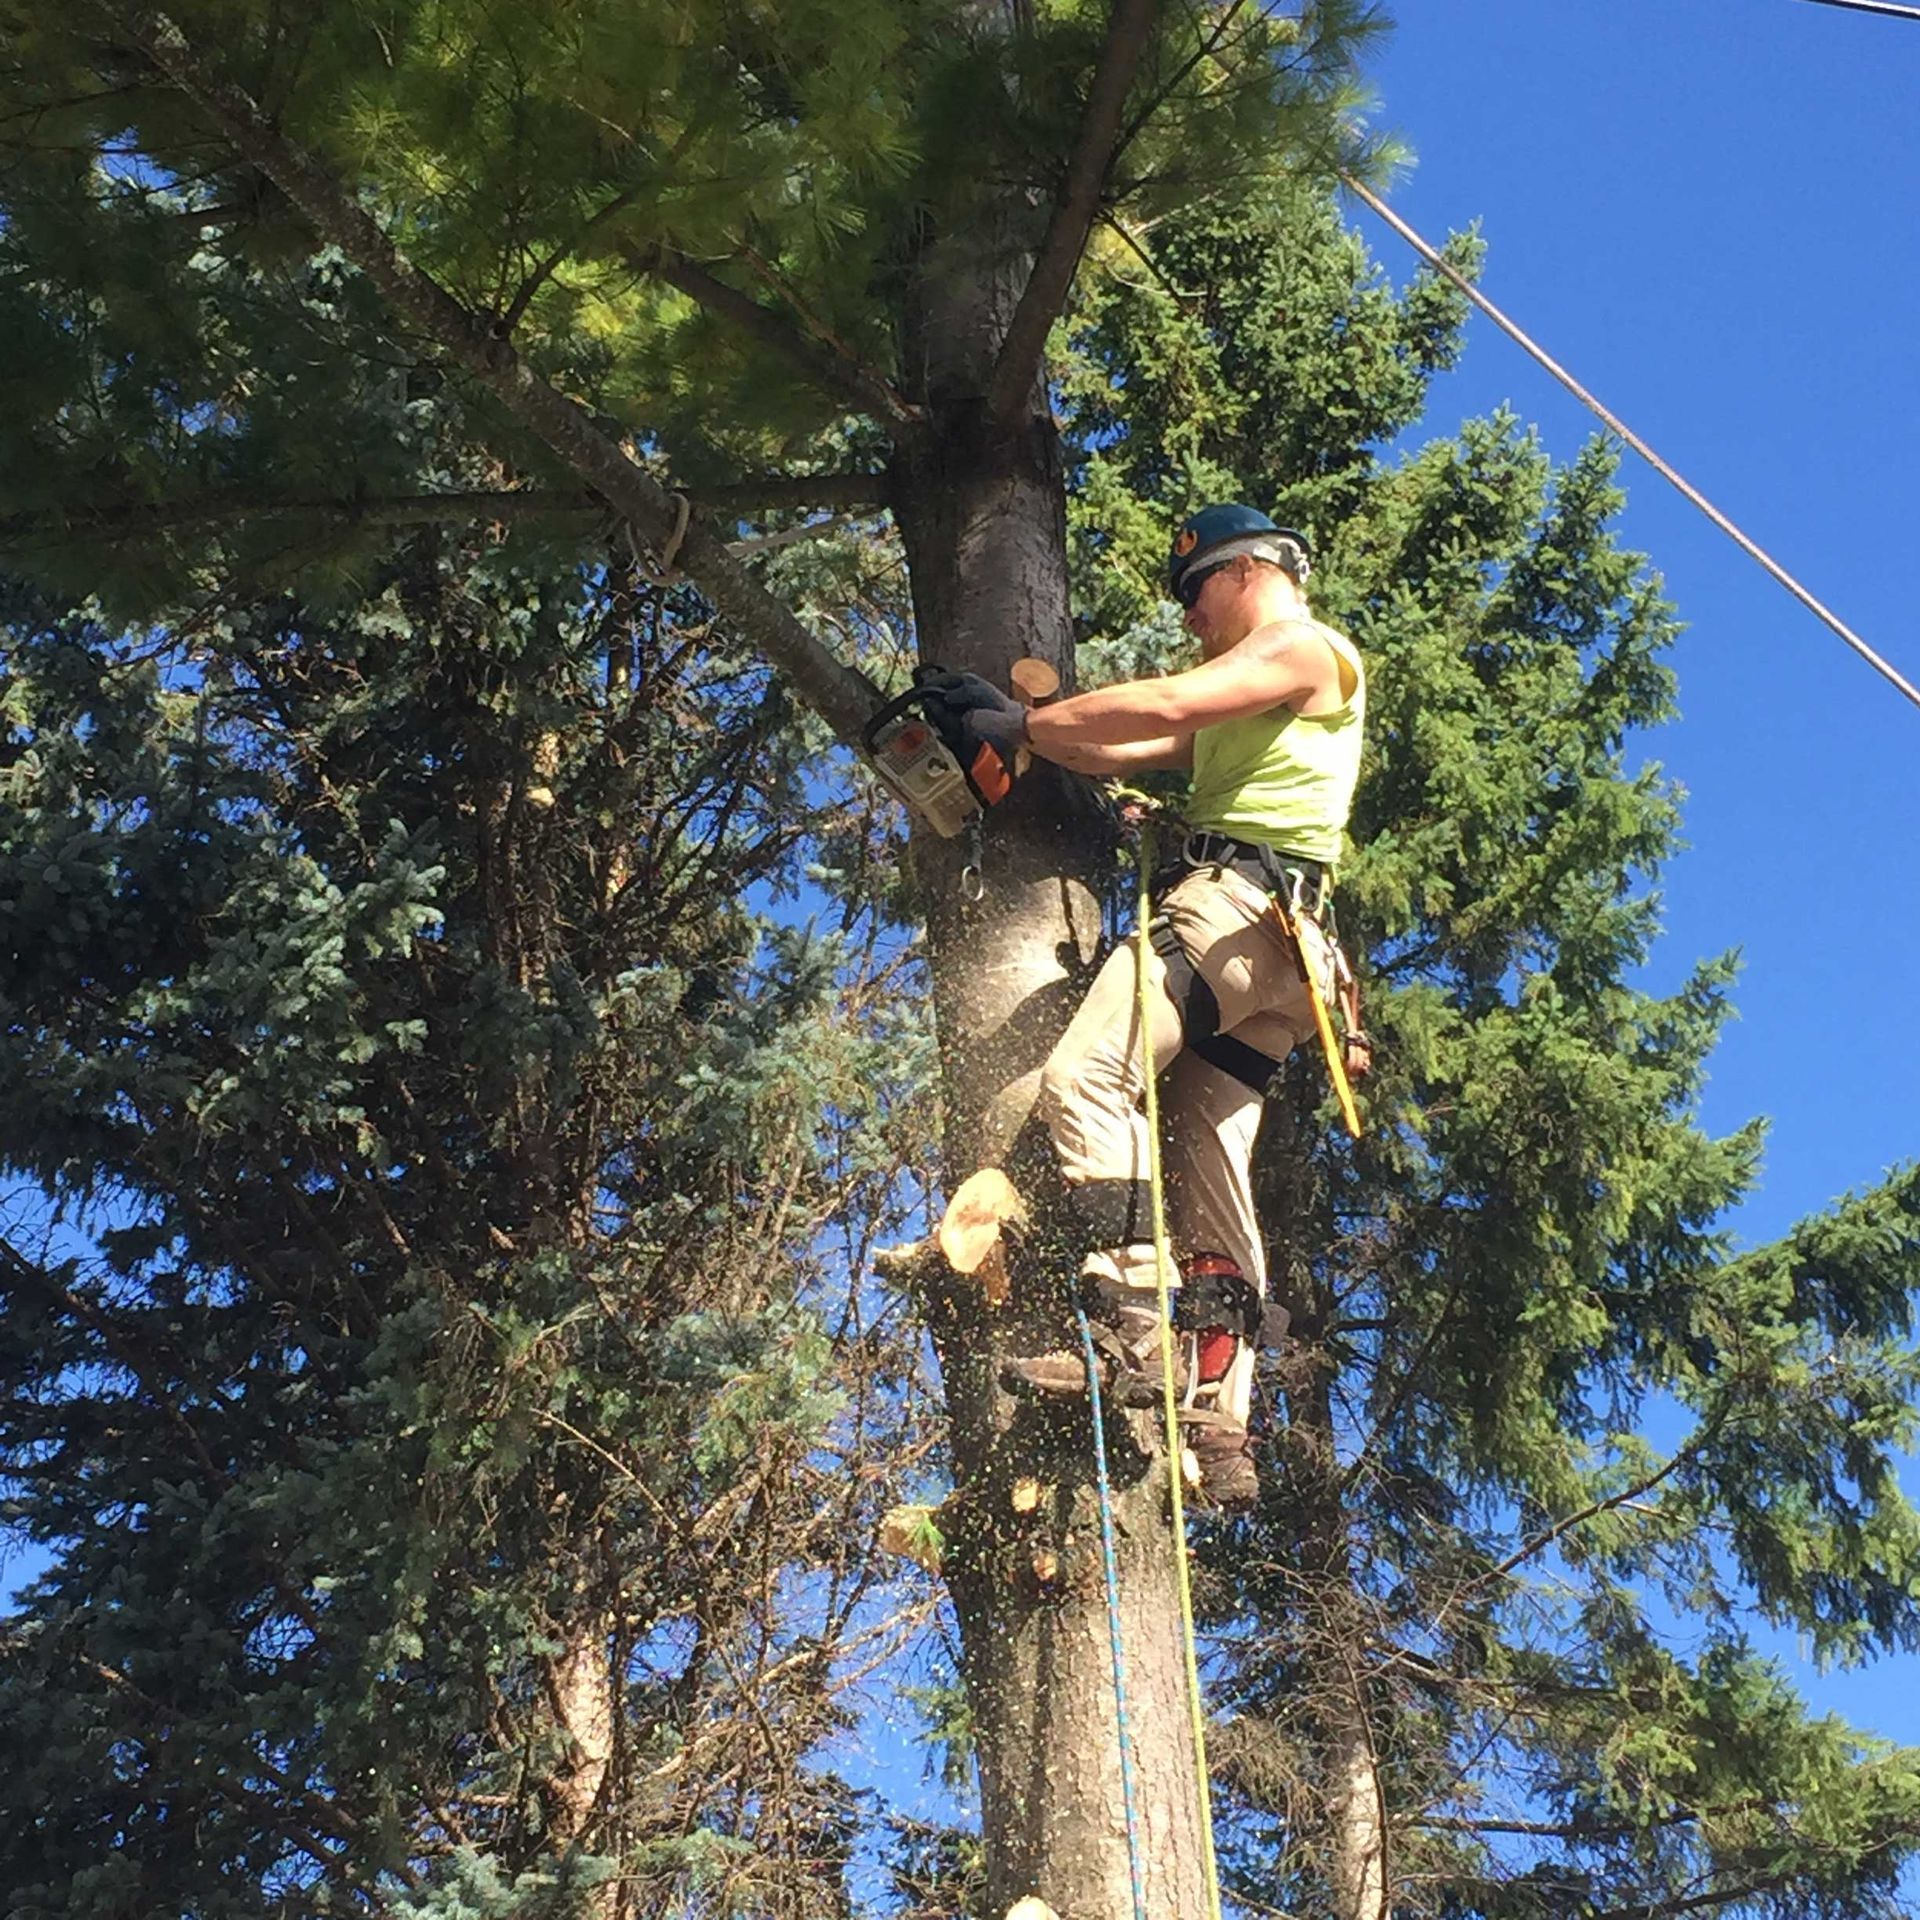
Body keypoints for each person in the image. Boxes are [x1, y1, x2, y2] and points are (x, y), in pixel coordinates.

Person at [924, 504, 1366, 1509]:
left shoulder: (1299, 645)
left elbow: (1167, 703)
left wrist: (1023, 723)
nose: (1190, 617)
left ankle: (1137, 1328)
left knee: (1086, 1077)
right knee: (1210, 1162)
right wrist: (1030, 737)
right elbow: (1137, 742)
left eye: (1196, 590)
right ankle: (1220, 1420)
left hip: (1235, 919)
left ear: (1250, 568)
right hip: (1285, 967)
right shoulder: (1263, 703)